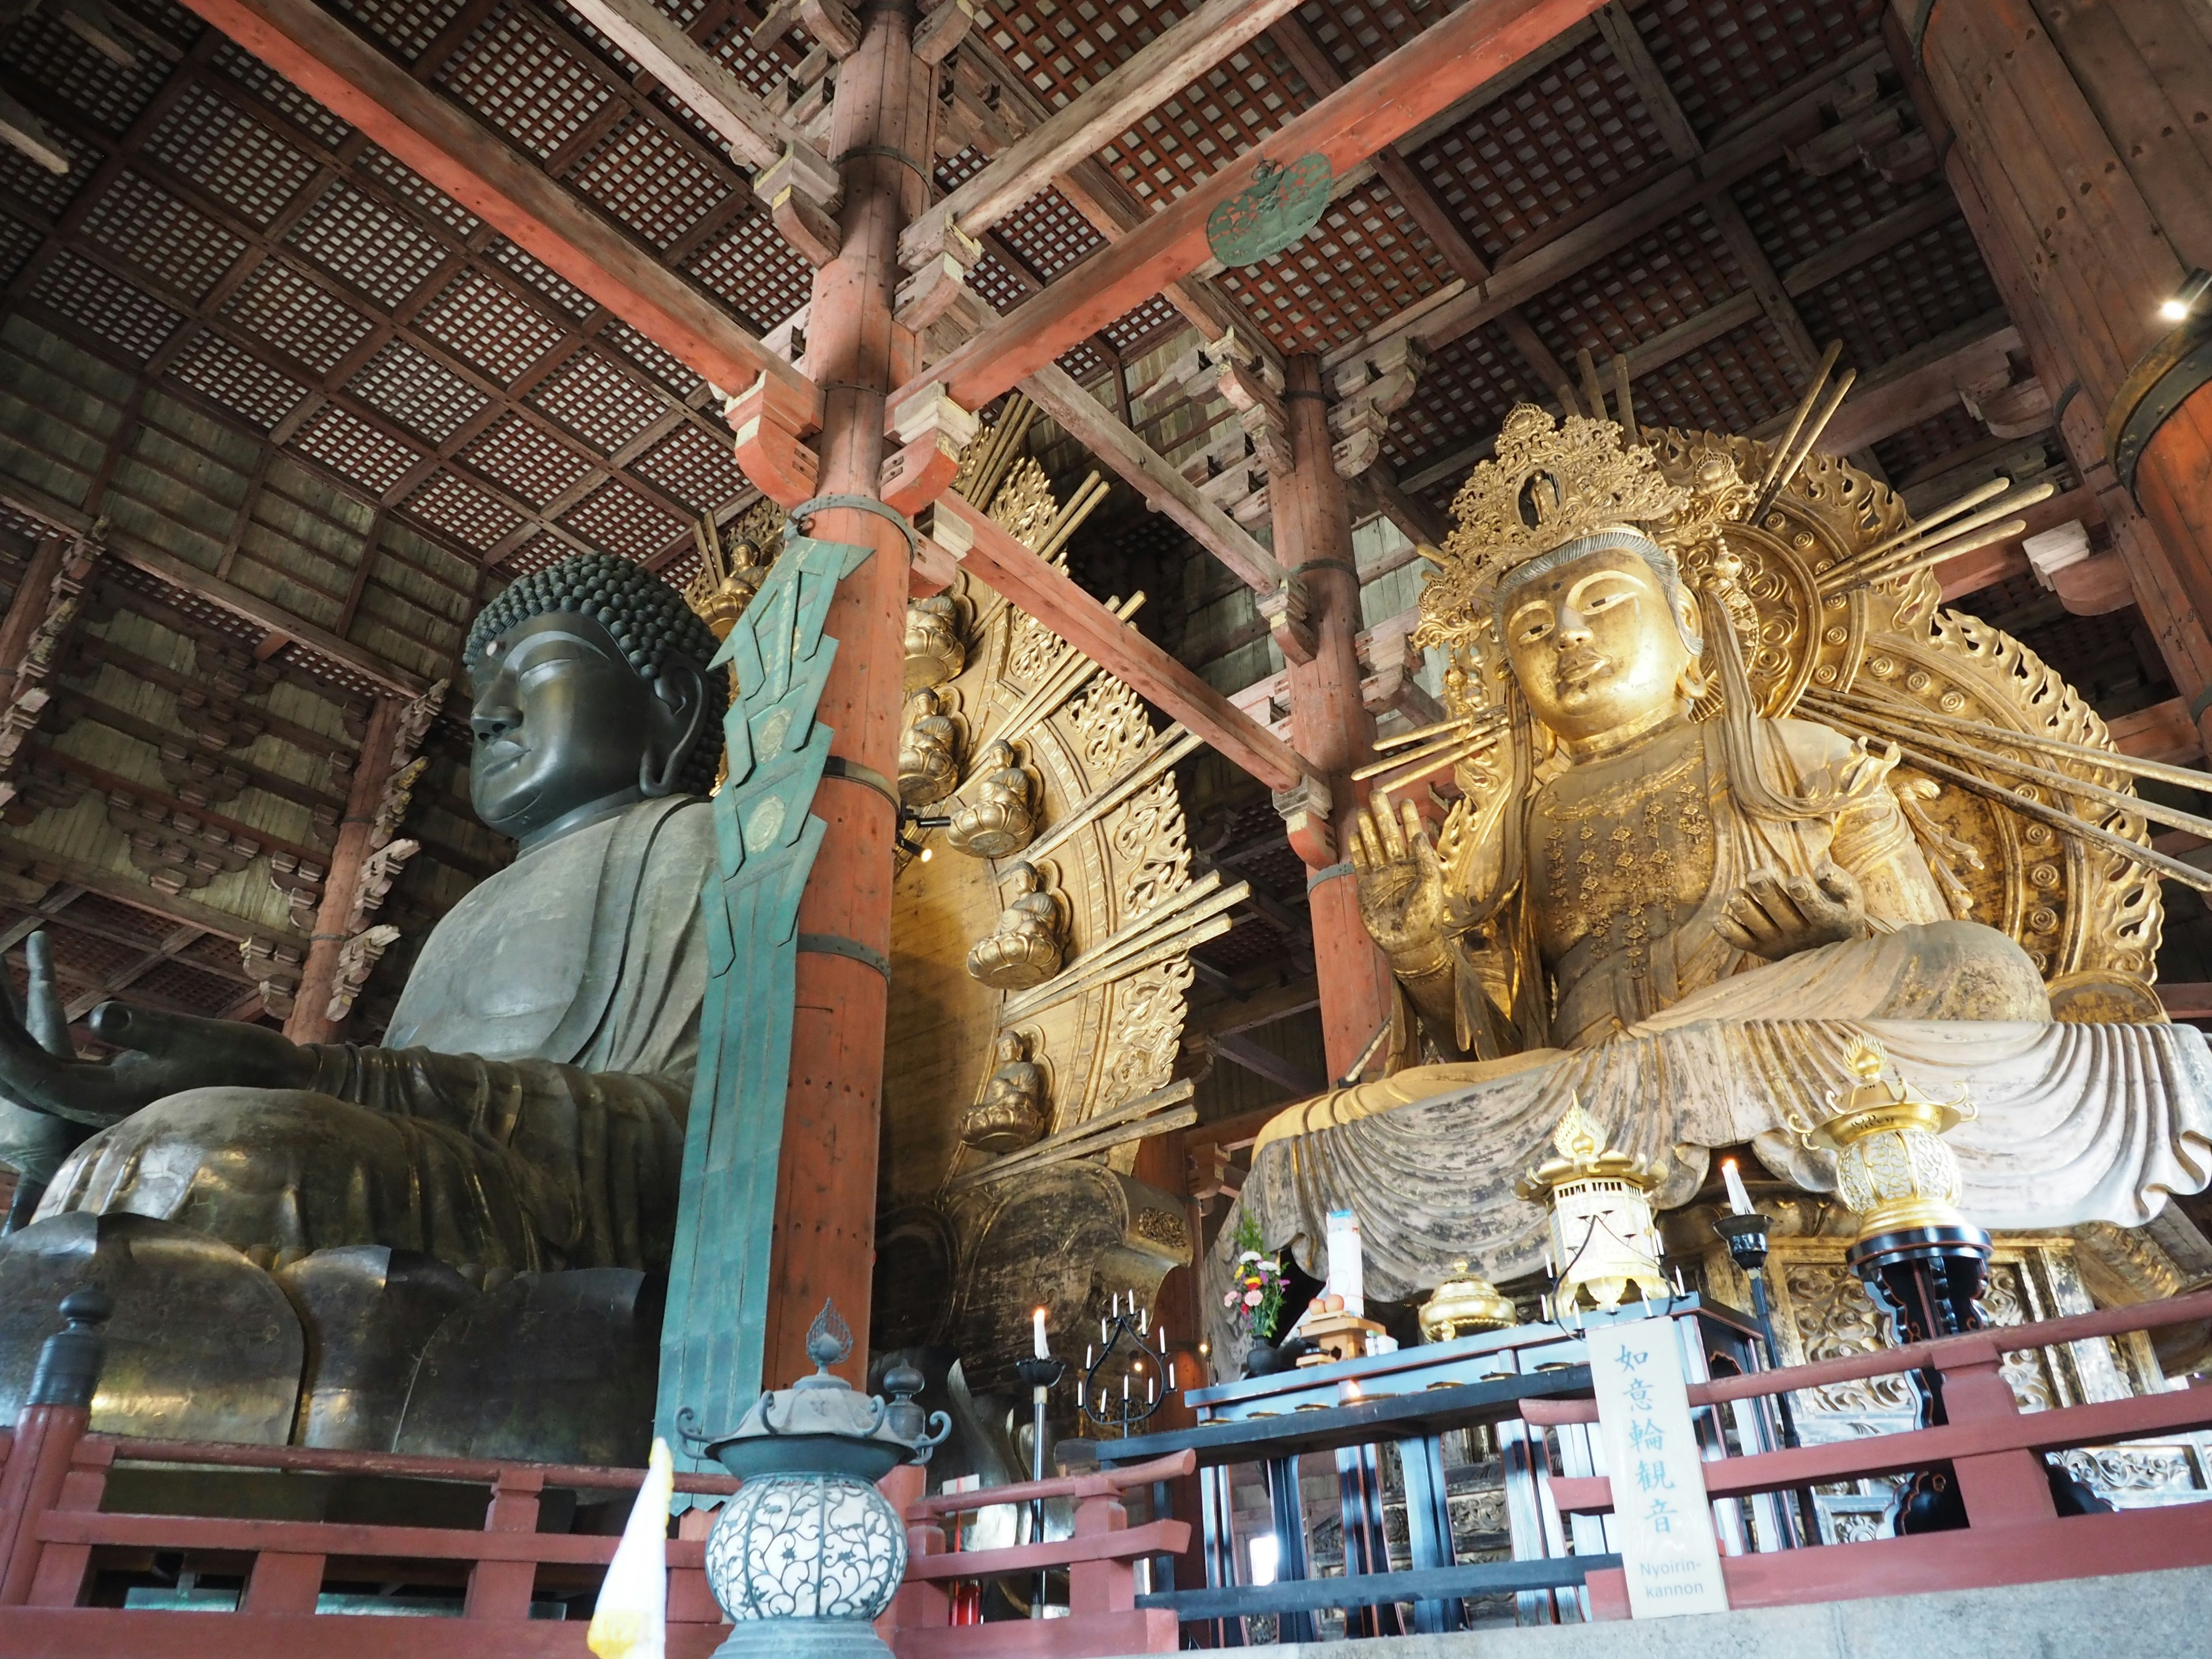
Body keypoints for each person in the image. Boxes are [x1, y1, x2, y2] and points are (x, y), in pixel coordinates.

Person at [8, 552, 725, 1275]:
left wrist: (310, 1074)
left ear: (672, 703)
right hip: (425, 1184)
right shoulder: (465, 917)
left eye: (537, 671)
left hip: (546, 1227)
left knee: (218, 1149)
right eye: (485, 688)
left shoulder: (699, 844)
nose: (486, 714)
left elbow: (706, 1124)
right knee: (147, 1157)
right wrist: (62, 1146)